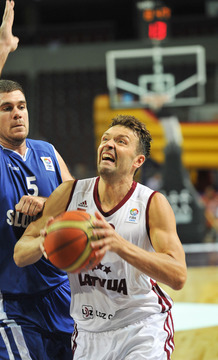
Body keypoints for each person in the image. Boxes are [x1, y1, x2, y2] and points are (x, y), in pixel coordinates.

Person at [14, 114, 187, 360]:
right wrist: (47, 241)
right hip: (89, 333)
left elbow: (178, 275)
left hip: (142, 327)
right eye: (106, 139)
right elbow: (20, 254)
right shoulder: (69, 193)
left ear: (138, 160)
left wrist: (119, 245)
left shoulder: (152, 204)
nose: (108, 144)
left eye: (121, 141)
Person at [0, 1, 74, 359]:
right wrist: (2, 48)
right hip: (11, 299)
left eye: (22, 105)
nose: (17, 113)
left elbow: (78, 201)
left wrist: (49, 204)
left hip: (60, 290)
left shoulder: (47, 150)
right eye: (6, 108)